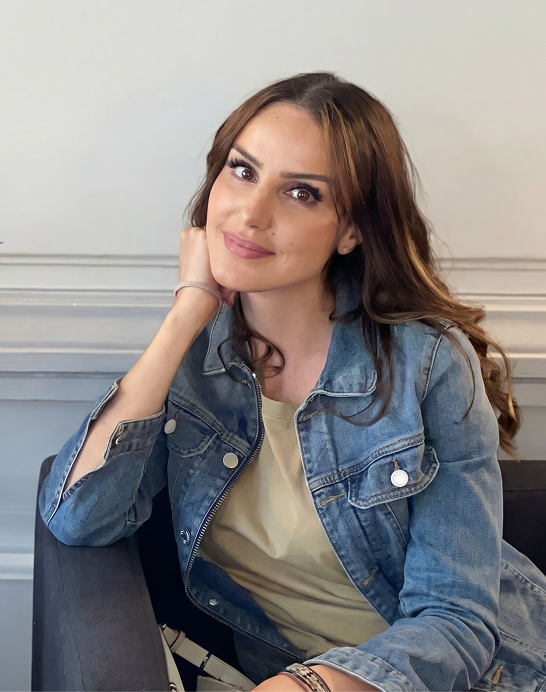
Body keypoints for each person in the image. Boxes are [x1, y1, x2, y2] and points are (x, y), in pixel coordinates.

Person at [39, 72, 546, 691]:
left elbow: (456, 622)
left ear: (351, 230)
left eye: (302, 193)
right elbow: (78, 517)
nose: (250, 214)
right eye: (242, 171)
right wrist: (186, 314)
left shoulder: (429, 364)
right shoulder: (196, 361)